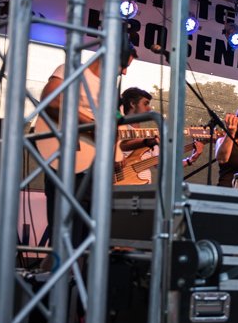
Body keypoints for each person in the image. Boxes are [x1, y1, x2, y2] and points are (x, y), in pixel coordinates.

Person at [38, 46, 137, 246]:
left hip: (92, 170)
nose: (125, 72)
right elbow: (52, 101)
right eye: (124, 65)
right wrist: (92, 125)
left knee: (87, 241)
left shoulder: (111, 92)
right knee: (64, 237)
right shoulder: (71, 69)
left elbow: (113, 127)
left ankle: (77, 268)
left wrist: (118, 141)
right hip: (65, 158)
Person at [116, 87, 203, 184]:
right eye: (145, 104)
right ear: (132, 104)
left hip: (141, 187)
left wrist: (191, 159)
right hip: (119, 185)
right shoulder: (118, 129)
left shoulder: (151, 136)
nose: (149, 108)